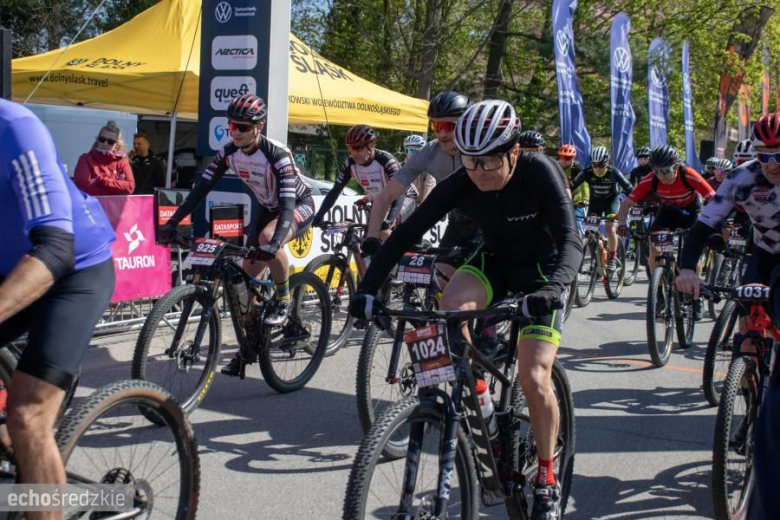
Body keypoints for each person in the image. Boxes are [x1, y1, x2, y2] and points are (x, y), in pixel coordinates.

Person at [350, 100, 582, 519]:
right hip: (494, 261)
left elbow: (571, 240)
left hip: (542, 274)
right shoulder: (463, 179)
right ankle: (479, 398)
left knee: (533, 376)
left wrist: (555, 289)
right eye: (470, 161)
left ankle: (546, 475)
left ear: (514, 152)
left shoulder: (540, 171)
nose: (478, 172)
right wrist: (368, 288)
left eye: (489, 161)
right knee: (450, 310)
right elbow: (405, 234)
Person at [0, 99, 116, 516]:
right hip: (11, 264)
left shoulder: (14, 128)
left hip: (74, 268)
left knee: (28, 414)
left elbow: (55, 249)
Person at [158, 94, 315, 376]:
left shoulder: (278, 155)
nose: (236, 132)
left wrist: (276, 242)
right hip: (268, 209)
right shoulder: (229, 152)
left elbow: (289, 204)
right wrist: (174, 221)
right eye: (232, 126)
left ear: (259, 126)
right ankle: (250, 346)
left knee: (268, 240)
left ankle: (283, 297)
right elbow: (200, 190)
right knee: (246, 277)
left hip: (297, 206)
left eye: (243, 127)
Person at [365, 91, 472, 281]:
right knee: (442, 279)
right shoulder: (430, 152)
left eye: (448, 126)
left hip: (489, 223)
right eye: (436, 126)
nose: (441, 133)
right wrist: (372, 237)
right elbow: (385, 197)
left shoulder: (481, 150)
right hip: (459, 223)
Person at [618, 145, 715, 319]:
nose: (661, 176)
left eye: (665, 171)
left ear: (676, 167)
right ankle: (660, 292)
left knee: (693, 250)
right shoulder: (650, 179)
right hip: (668, 211)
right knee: (653, 245)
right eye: (657, 171)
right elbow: (626, 203)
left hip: (692, 211)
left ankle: (697, 297)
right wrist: (622, 223)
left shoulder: (689, 174)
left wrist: (713, 225)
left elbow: (714, 199)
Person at [312, 125, 416, 238]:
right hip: (381, 200)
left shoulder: (386, 161)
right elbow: (335, 190)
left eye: (358, 148)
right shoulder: (350, 164)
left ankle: (397, 254)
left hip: (404, 196)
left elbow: (399, 193)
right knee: (367, 239)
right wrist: (320, 214)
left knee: (383, 232)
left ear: (371, 146)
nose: (354, 153)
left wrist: (390, 220)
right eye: (351, 148)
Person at [571, 146, 632, 270]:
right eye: (595, 165)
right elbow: (572, 185)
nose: (597, 169)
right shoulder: (587, 172)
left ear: (607, 163)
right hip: (595, 202)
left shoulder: (613, 172)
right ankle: (596, 259)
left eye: (600, 165)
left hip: (611, 202)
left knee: (610, 228)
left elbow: (629, 188)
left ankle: (612, 258)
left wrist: (631, 200)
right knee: (590, 233)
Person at [73, 120, 135, 196]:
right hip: (93, 207)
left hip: (116, 207)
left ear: (116, 144)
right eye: (102, 139)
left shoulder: (122, 161)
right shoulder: (85, 159)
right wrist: (116, 190)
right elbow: (83, 186)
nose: (105, 144)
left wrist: (101, 180)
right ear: (97, 140)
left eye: (110, 142)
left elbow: (129, 187)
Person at [558, 144, 588, 235]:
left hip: (576, 200)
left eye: (567, 158)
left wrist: (585, 199)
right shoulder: (555, 166)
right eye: (561, 157)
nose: (563, 160)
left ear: (572, 159)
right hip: (561, 198)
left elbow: (584, 184)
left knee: (577, 224)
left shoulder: (577, 167)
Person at [402, 134, 436, 206]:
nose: (411, 154)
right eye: (409, 150)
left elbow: (429, 188)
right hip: (403, 205)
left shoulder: (428, 169)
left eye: (415, 151)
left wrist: (423, 207)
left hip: (422, 205)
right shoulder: (399, 167)